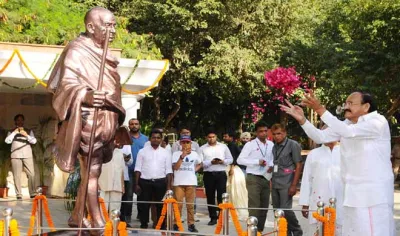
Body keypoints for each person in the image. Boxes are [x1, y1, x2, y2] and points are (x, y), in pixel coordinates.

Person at [46, 7, 126, 230]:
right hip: (87, 119)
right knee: (91, 170)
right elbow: (65, 85)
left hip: (106, 119)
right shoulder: (77, 50)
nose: (113, 31)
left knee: (94, 171)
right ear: (91, 27)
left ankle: (77, 216)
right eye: (108, 25)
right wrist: (87, 95)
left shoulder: (105, 54)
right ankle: (98, 221)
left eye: (114, 25)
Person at [280, 91, 395, 236]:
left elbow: (347, 132)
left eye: (350, 103)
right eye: (345, 103)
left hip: (373, 195)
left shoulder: (377, 122)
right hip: (351, 193)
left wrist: (320, 109)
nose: (346, 107)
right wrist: (302, 120)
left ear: (366, 107)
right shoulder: (347, 124)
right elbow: (320, 136)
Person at [298, 128, 343, 236]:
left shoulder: (345, 152)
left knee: (341, 229)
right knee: (318, 230)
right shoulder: (314, 154)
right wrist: (305, 203)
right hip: (319, 200)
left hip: (342, 199)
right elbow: (307, 179)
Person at [237, 121, 274, 231]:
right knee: (254, 206)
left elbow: (272, 159)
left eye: (265, 131)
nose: (263, 133)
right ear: (256, 133)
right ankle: (251, 231)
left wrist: (271, 165)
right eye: (261, 131)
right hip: (253, 177)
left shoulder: (271, 144)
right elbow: (240, 160)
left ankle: (259, 231)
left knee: (264, 206)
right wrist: (256, 161)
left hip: (266, 177)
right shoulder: (250, 144)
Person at [134, 129, 173, 229]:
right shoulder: (142, 152)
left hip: (160, 182)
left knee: (160, 205)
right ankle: (144, 224)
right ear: (150, 139)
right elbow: (138, 168)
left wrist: (169, 187)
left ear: (161, 139)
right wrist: (136, 184)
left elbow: (169, 171)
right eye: (153, 137)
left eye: (158, 138)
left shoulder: (166, 153)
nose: (156, 139)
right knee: (144, 205)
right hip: (144, 182)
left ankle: (161, 224)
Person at [271, 123, 303, 236]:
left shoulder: (292, 145)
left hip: (287, 182)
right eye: (274, 134)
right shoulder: (274, 146)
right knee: (277, 211)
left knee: (286, 209)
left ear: (285, 133)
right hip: (275, 182)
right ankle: (285, 232)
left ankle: (297, 231)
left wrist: (294, 185)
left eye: (279, 133)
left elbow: (298, 165)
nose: (277, 136)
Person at [200, 130, 233, 225]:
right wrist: (211, 162)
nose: (211, 139)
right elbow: (200, 162)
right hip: (209, 174)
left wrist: (222, 162)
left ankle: (222, 217)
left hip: (221, 173)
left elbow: (230, 159)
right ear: (206, 138)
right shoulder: (202, 148)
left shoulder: (223, 147)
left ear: (216, 137)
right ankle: (213, 217)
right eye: (209, 137)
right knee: (210, 196)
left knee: (221, 196)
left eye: (213, 137)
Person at [99, 127, 132, 215]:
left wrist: (122, 186)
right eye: (116, 139)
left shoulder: (120, 153)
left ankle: (113, 228)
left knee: (115, 210)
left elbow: (121, 171)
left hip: (117, 186)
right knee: (103, 209)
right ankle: (102, 228)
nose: (119, 143)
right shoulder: (101, 151)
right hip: (103, 185)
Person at [172, 135, 202, 232]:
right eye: (183, 142)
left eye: (187, 142)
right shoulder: (176, 154)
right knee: (178, 205)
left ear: (191, 143)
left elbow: (200, 163)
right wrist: (182, 156)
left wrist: (194, 170)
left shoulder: (195, 154)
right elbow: (175, 167)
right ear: (180, 143)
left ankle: (191, 225)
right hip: (179, 183)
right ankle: (176, 224)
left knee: (190, 205)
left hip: (191, 182)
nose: (185, 144)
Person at [5, 114, 36, 200]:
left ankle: (33, 192)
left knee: (31, 174)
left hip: (27, 154)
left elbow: (34, 141)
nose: (20, 122)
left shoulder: (29, 131)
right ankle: (18, 194)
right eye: (18, 120)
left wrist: (26, 135)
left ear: (23, 121)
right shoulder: (11, 131)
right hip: (16, 155)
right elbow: (7, 141)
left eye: (21, 120)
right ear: (15, 122)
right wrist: (15, 132)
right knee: (16, 175)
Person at [123, 118, 148, 223]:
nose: (134, 126)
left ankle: (141, 215)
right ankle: (127, 216)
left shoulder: (146, 139)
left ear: (139, 125)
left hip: (142, 171)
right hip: (128, 170)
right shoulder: (125, 137)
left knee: (141, 195)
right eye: (132, 124)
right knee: (128, 195)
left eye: (136, 124)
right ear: (129, 126)